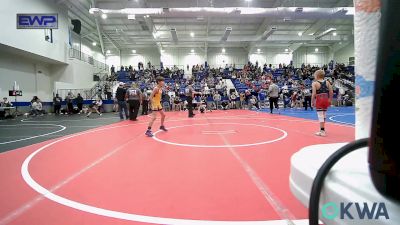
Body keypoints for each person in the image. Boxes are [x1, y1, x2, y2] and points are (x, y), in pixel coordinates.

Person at [312, 70, 333, 137]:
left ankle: (322, 131)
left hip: (319, 99)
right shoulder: (327, 82)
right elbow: (331, 92)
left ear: (316, 75)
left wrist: (312, 101)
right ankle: (322, 129)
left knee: (320, 115)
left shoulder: (314, 83)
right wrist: (330, 99)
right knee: (323, 115)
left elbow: (314, 93)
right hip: (326, 99)